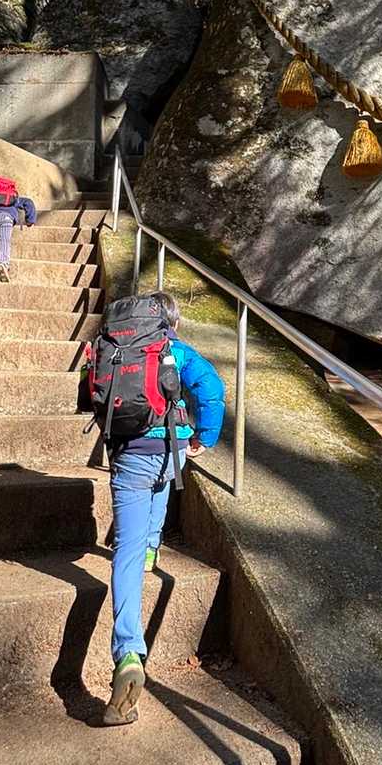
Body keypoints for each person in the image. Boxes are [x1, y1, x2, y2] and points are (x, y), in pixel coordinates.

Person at [104, 289, 225, 725]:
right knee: (161, 487)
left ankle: (128, 652)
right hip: (171, 448)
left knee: (126, 550)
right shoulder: (178, 350)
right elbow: (212, 388)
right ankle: (153, 548)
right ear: (173, 322)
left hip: (130, 453)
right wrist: (205, 437)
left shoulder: (120, 345)